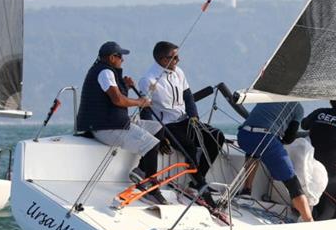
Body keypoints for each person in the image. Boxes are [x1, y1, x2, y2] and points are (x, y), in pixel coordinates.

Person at [76, 41, 168, 204]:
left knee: (158, 128)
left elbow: (114, 95)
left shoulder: (106, 71)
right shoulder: (105, 72)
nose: (122, 60)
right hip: (106, 127)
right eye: (120, 57)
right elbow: (117, 100)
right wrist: (140, 102)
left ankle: (141, 170)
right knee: (152, 144)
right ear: (112, 58)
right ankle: (150, 187)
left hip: (114, 122)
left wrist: (125, 85)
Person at [138, 41, 225, 191]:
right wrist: (157, 136)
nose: (178, 60)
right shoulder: (148, 80)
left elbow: (188, 97)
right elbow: (145, 111)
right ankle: (200, 185)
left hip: (185, 120)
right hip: (166, 125)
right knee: (189, 146)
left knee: (217, 136)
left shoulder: (178, 72)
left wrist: (194, 116)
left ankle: (197, 180)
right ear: (163, 59)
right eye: (175, 57)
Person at [236, 102, 314, 222]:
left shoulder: (267, 99)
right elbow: (289, 137)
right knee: (292, 181)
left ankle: (246, 191)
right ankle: (309, 220)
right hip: (265, 138)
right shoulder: (297, 108)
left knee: (254, 152)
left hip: (243, 136)